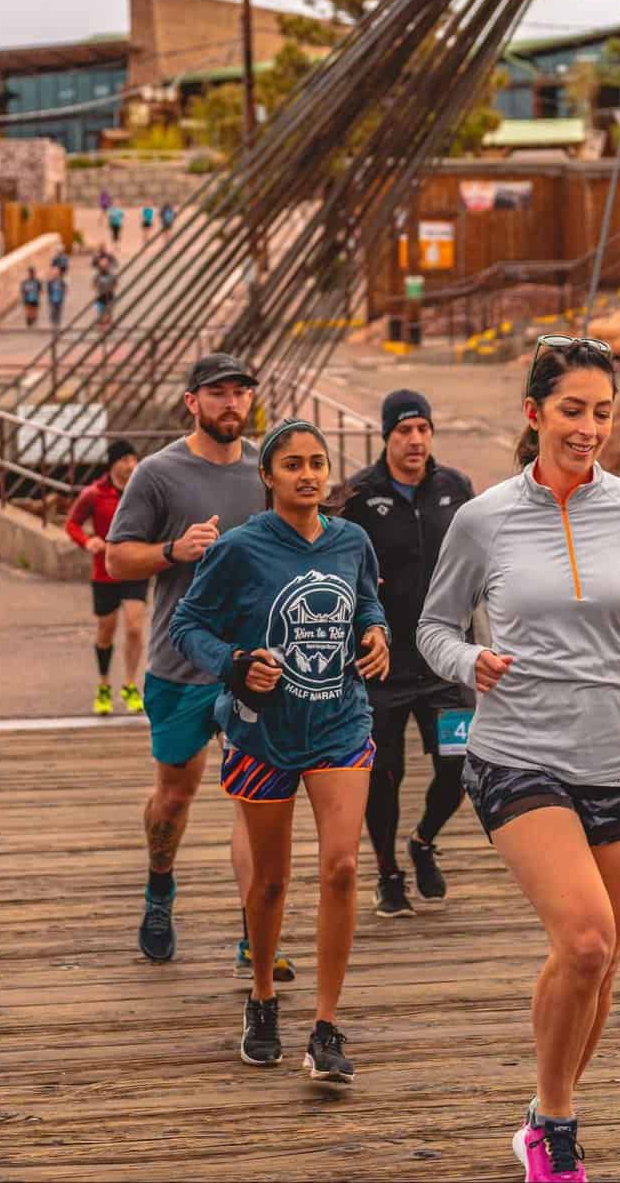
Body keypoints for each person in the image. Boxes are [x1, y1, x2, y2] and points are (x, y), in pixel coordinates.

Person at [416, 335, 620, 1183]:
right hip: (519, 754)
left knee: (601, 963)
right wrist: (464, 663)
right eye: (571, 410)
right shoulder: (483, 518)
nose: (588, 428)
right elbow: (433, 628)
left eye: (601, 412)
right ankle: (554, 1125)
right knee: (585, 942)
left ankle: (544, 1109)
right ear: (534, 414)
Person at [170, 420, 389, 1083]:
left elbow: (368, 605)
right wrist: (234, 665)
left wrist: (376, 633)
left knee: (343, 869)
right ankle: (262, 998)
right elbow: (188, 625)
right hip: (262, 731)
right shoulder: (239, 549)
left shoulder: (351, 540)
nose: (307, 474)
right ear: (266, 477)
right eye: (292, 464)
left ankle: (325, 1026)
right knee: (268, 882)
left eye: (317, 463)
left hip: (339, 724)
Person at [103, 353, 274, 975]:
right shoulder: (157, 474)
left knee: (255, 802)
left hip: (255, 667)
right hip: (178, 665)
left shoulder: (267, 469)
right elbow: (118, 560)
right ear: (192, 402)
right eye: (219, 394)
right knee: (174, 797)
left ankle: (255, 934)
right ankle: (159, 889)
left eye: (240, 393)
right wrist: (174, 550)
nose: (232, 404)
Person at [336, 388, 476, 917]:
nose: (415, 440)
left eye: (422, 430)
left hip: (445, 660)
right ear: (386, 436)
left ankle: (422, 841)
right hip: (383, 666)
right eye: (404, 431)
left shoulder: (455, 488)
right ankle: (389, 873)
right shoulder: (357, 496)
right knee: (384, 774)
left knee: (460, 766)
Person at [66, 440, 149, 716]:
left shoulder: (143, 490)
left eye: (133, 459)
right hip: (105, 570)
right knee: (106, 630)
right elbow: (72, 523)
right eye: (124, 459)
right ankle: (103, 685)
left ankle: (130, 684)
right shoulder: (94, 493)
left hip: (135, 566)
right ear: (112, 463)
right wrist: (87, 541)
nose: (129, 465)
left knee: (135, 626)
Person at [92, 260, 118, 335]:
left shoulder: (111, 275)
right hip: (100, 298)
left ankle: (108, 328)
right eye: (102, 266)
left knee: (108, 314)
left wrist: (110, 288)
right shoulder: (98, 275)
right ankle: (102, 329)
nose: (103, 268)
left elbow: (115, 284)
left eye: (105, 266)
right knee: (100, 314)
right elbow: (93, 284)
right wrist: (98, 288)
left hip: (110, 297)